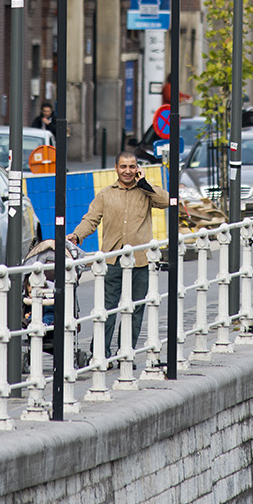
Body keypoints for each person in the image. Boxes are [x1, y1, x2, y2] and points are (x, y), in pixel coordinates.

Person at [66, 151, 168, 357]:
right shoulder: (105, 194)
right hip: (111, 260)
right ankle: (100, 354)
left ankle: (125, 351)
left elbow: (166, 201)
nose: (128, 171)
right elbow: (91, 219)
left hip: (140, 261)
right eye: (123, 167)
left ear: (137, 168)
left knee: (135, 309)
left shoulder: (146, 192)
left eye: (132, 167)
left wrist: (145, 184)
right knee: (106, 309)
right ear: (116, 168)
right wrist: (77, 235)